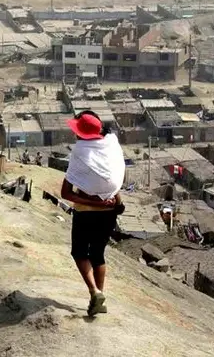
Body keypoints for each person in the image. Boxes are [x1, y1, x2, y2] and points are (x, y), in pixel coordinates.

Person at [60, 110, 126, 317]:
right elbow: (113, 180)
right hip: (109, 210)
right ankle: (99, 299)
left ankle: (94, 292)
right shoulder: (111, 144)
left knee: (79, 252)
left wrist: (90, 201)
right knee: (98, 254)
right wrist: (110, 200)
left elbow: (66, 192)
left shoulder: (81, 152)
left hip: (87, 212)